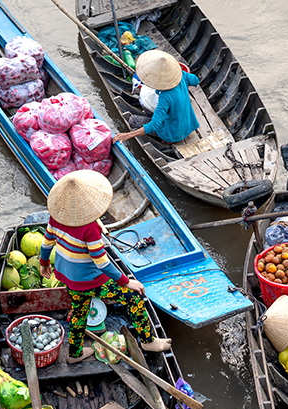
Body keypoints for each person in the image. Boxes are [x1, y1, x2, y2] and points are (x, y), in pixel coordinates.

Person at [38, 170, 172, 364]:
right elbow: (102, 263)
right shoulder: (90, 229)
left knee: (79, 311)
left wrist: (44, 264)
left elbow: (46, 244)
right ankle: (148, 341)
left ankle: (74, 354)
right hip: (90, 280)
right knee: (133, 297)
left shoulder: (56, 217)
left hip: (68, 278)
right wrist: (126, 282)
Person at [112, 50, 200, 145]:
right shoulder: (182, 76)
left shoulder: (165, 96)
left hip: (173, 133)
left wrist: (127, 135)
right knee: (151, 110)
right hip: (189, 125)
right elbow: (195, 80)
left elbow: (154, 125)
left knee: (133, 120)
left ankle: (168, 139)